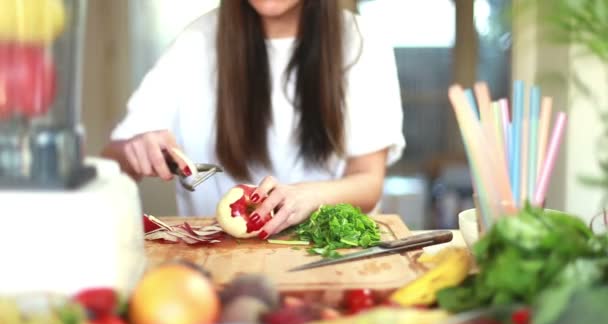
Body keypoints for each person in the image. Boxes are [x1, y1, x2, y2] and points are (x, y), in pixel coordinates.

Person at [102, 0, 405, 239]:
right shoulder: (194, 42)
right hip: (214, 262)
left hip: (326, 259)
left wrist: (305, 197)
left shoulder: (363, 40)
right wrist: (135, 149)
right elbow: (113, 163)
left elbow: (368, 181)